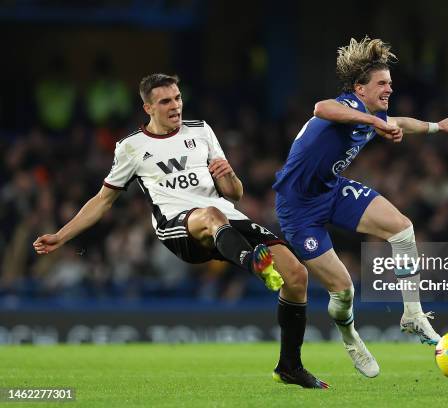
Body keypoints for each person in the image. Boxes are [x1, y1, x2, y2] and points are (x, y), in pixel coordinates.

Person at [33, 73, 328, 389]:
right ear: (148, 108)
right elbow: (103, 201)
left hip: (225, 217)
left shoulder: (201, 131)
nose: (175, 106)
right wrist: (61, 236)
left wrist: (229, 176)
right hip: (177, 226)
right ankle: (253, 262)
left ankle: (290, 366)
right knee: (211, 215)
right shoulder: (131, 147)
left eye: (177, 98)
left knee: (297, 275)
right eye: (165, 101)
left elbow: (235, 193)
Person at [273, 37, 448, 378]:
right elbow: (321, 107)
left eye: (390, 83)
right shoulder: (347, 107)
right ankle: (350, 338)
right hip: (298, 208)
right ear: (360, 88)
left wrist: (437, 126)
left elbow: (399, 122)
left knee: (402, 228)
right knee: (344, 290)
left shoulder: (371, 114)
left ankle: (412, 314)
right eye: (382, 83)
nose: (389, 89)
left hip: (331, 190)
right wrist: (377, 123)